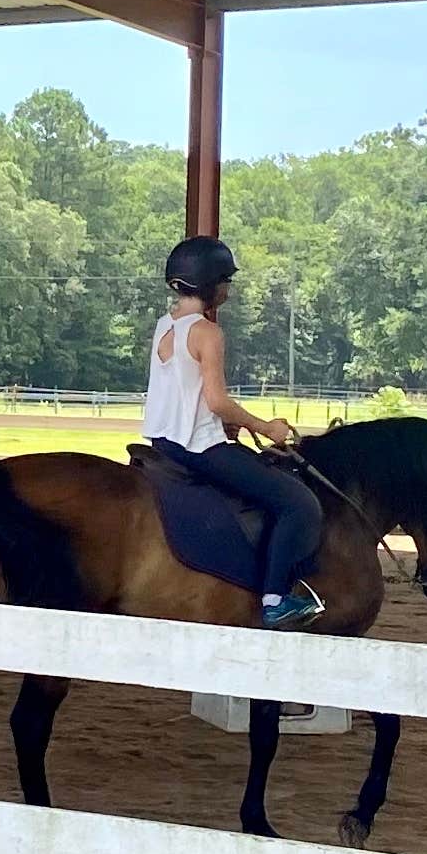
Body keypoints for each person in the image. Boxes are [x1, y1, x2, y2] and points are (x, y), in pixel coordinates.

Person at [141, 233, 331, 628]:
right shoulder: (208, 332)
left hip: (164, 441)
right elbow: (215, 400)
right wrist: (267, 427)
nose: (228, 288)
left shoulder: (164, 326)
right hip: (199, 446)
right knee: (298, 503)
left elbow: (184, 390)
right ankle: (275, 599)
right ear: (213, 284)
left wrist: (224, 421)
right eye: (226, 280)